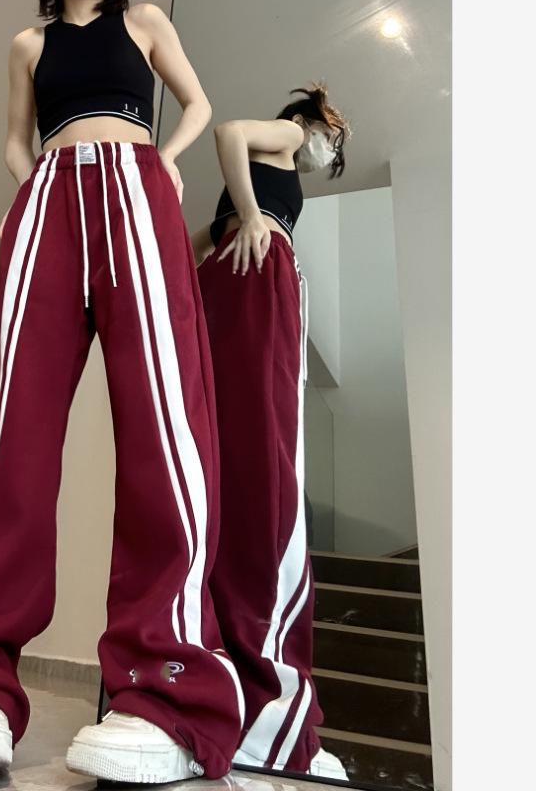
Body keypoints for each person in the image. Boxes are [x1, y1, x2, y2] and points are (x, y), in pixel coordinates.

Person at [0, 0, 244, 782]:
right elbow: (15, 139)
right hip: (48, 195)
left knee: (165, 424)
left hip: (138, 187)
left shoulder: (145, 20)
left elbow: (196, 104)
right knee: (8, 428)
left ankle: (165, 687)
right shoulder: (29, 44)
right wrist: (31, 196)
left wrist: (166, 158)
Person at [191, 84, 352, 781]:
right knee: (265, 444)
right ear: (313, 123)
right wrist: (258, 218)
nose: (327, 153)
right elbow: (227, 129)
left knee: (226, 443)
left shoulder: (260, 180)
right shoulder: (285, 136)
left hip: (228, 273)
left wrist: (230, 231)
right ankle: (267, 699)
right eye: (333, 141)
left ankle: (224, 671)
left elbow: (203, 238)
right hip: (257, 271)